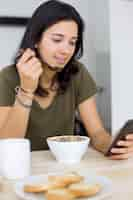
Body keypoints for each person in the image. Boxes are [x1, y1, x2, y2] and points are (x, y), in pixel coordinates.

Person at [0, 0, 133, 159]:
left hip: (63, 167)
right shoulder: (8, 77)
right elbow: (7, 145)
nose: (66, 50)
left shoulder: (77, 73)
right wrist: (26, 91)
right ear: (36, 39)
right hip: (21, 168)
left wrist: (113, 146)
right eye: (57, 40)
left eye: (72, 42)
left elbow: (97, 133)